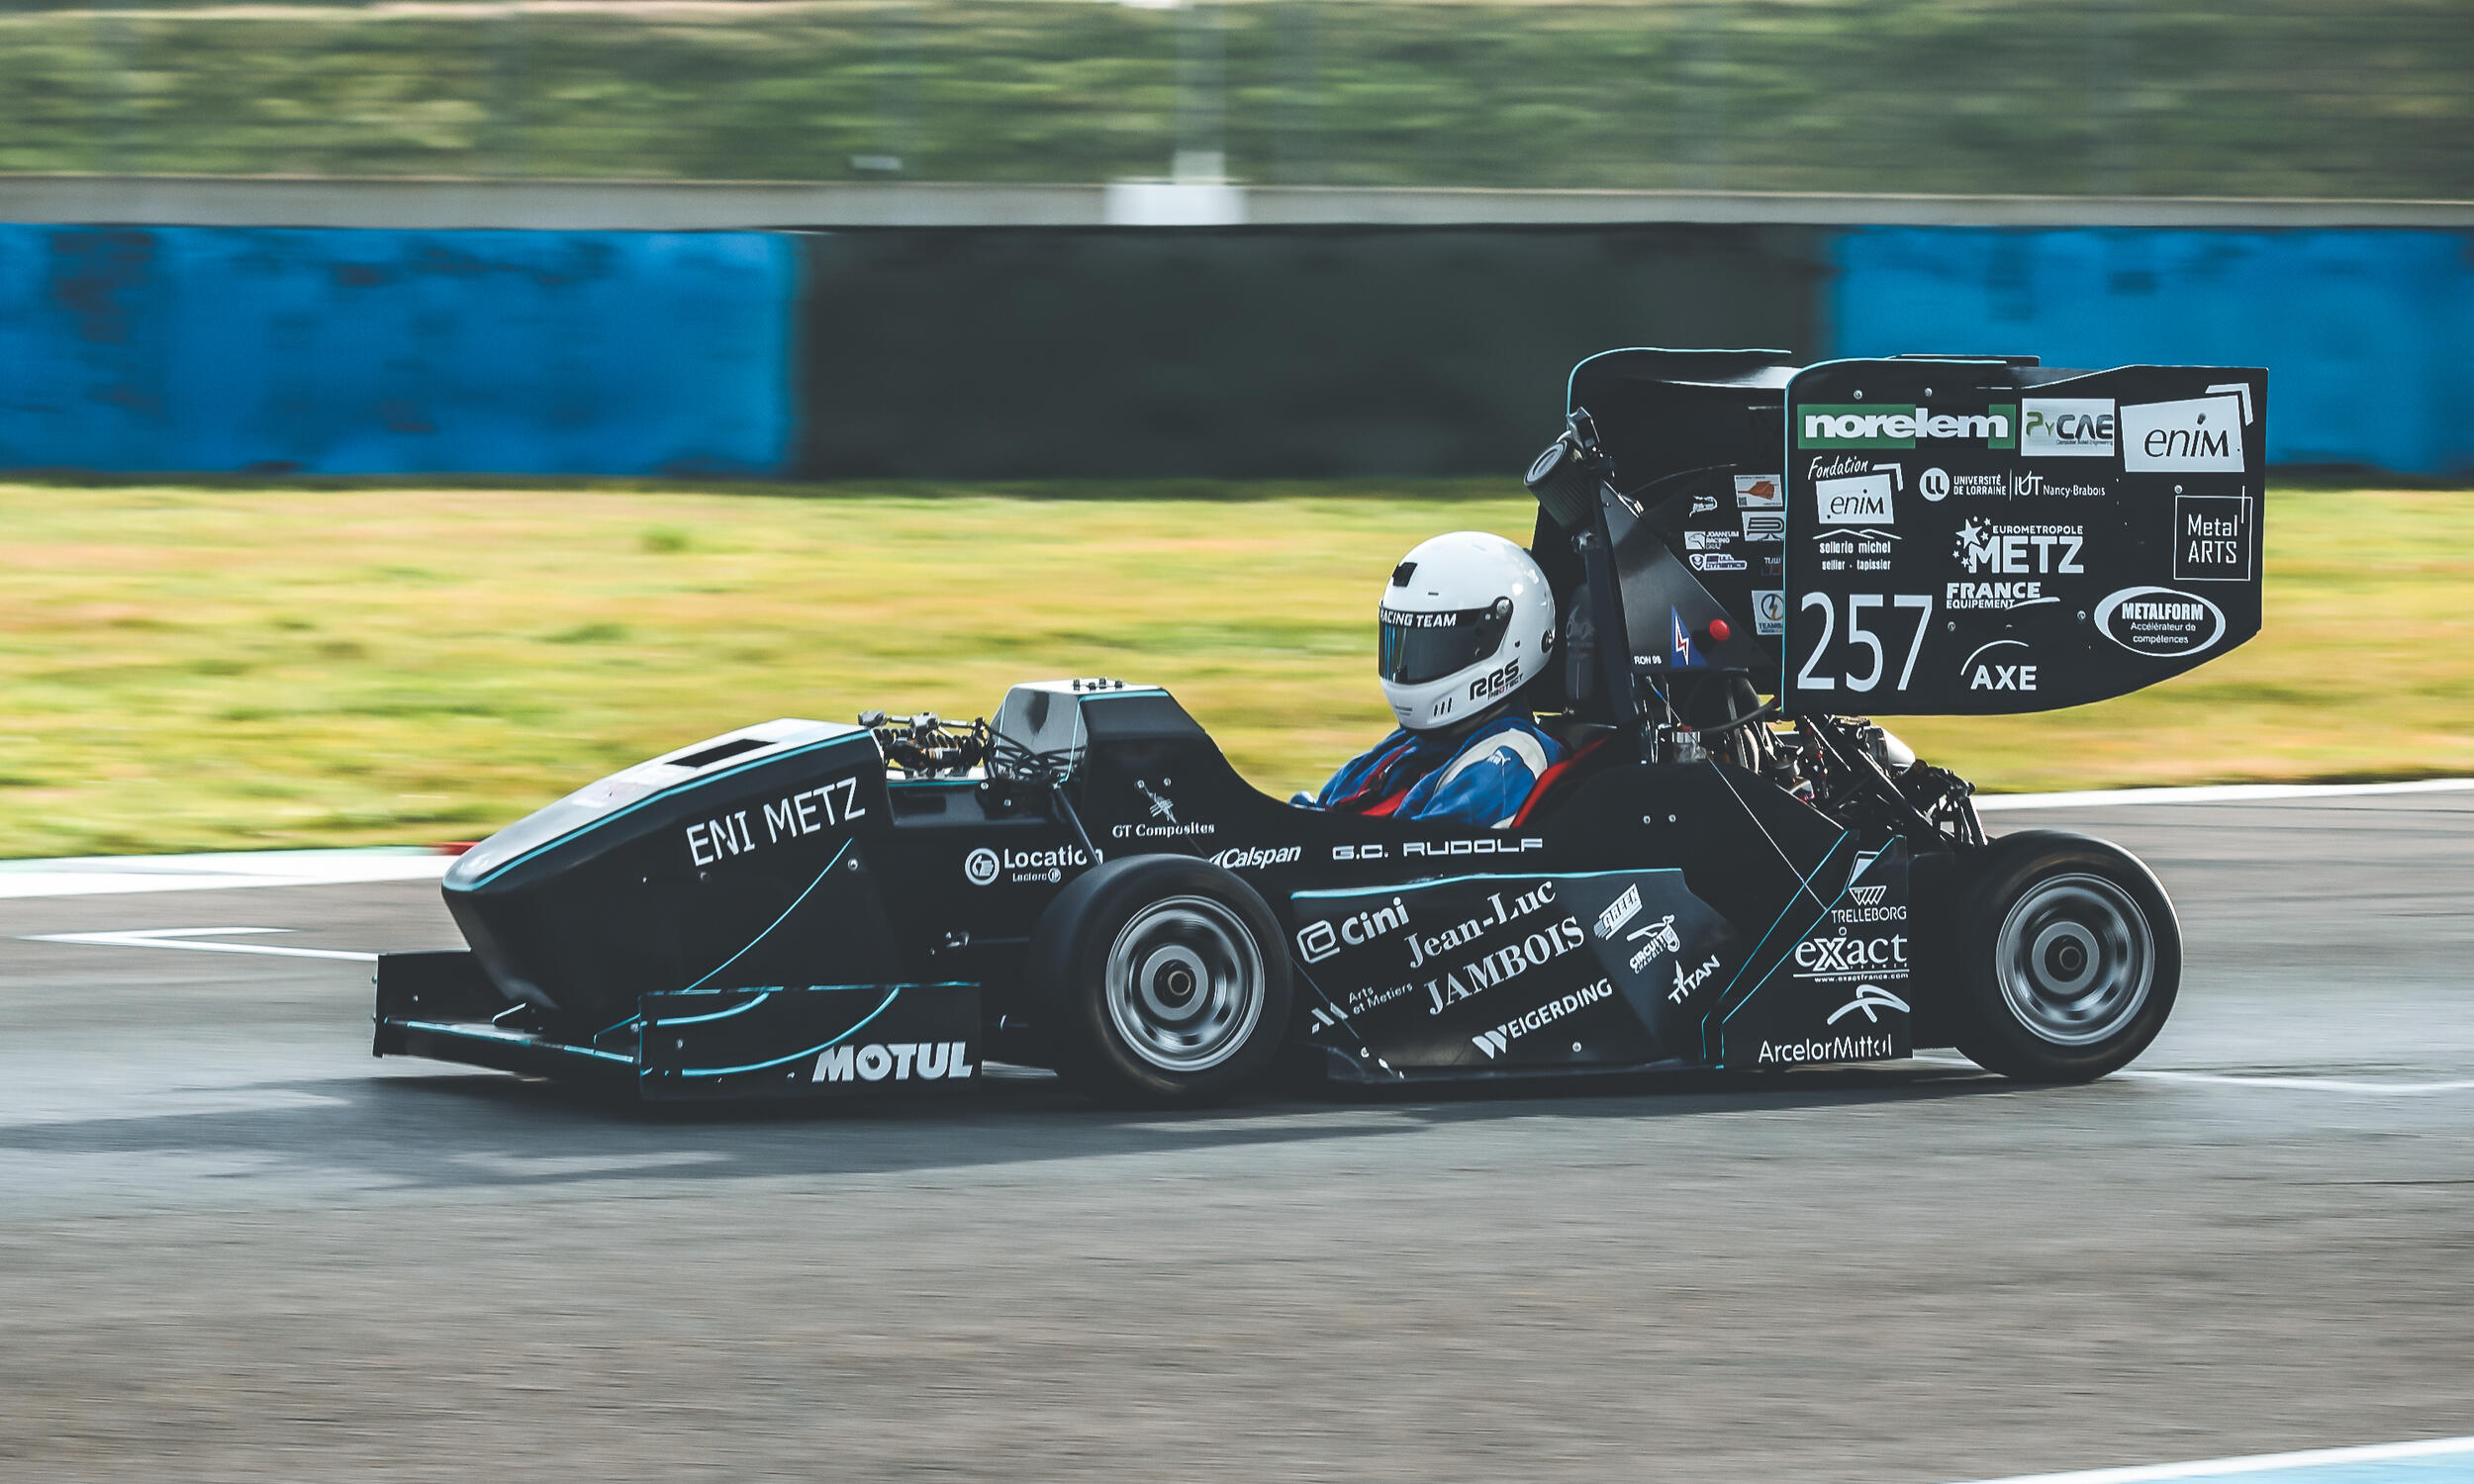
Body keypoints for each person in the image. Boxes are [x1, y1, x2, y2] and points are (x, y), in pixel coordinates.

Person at [1301, 531, 1567, 828]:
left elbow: (1418, 850)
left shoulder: (1511, 759)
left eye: (1437, 646)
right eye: (1409, 645)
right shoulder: (1415, 742)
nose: (1413, 664)